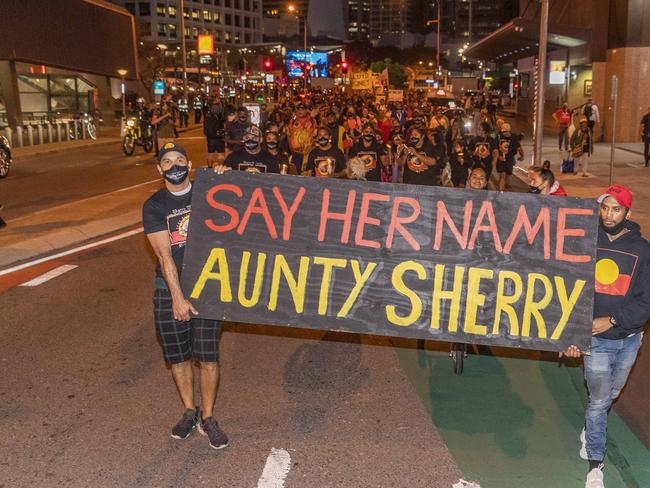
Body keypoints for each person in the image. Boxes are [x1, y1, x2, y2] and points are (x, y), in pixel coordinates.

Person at [561, 185, 650, 488]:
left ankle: (591, 426)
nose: (609, 214)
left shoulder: (643, 250)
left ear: (627, 212)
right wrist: (571, 334)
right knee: (599, 401)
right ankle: (595, 465)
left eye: (616, 209)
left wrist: (611, 320)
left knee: (612, 393)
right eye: (604, 207)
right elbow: (567, 287)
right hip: (593, 340)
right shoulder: (584, 241)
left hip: (628, 338)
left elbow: (645, 302)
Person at [142, 142, 229, 450]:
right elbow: (164, 256)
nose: (174, 165)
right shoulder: (154, 206)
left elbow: (243, 208)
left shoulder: (210, 190)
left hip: (209, 288)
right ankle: (189, 411)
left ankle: (208, 417)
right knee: (178, 358)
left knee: (207, 357)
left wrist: (226, 177)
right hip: (171, 291)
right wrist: (177, 297)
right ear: (159, 169)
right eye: (167, 161)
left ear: (189, 164)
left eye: (180, 159)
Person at [493, 123, 523, 191]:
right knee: (505, 175)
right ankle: (502, 188)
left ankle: (502, 188)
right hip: (508, 158)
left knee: (503, 175)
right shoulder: (514, 136)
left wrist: (496, 158)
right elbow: (519, 148)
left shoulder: (498, 136)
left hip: (502, 159)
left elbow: (494, 149)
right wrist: (522, 155)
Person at [287, 103, 316, 171]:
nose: (300, 111)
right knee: (297, 172)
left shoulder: (312, 120)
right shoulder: (292, 121)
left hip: (308, 154)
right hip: (296, 153)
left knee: (307, 172)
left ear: (306, 110)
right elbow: (289, 135)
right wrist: (292, 150)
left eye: (302, 109)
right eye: (298, 109)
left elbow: (315, 135)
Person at [203, 101, 226, 167]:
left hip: (210, 138)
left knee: (210, 154)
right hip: (219, 138)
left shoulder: (207, 116)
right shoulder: (220, 116)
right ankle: (221, 167)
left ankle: (209, 167)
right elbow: (224, 126)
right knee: (220, 154)